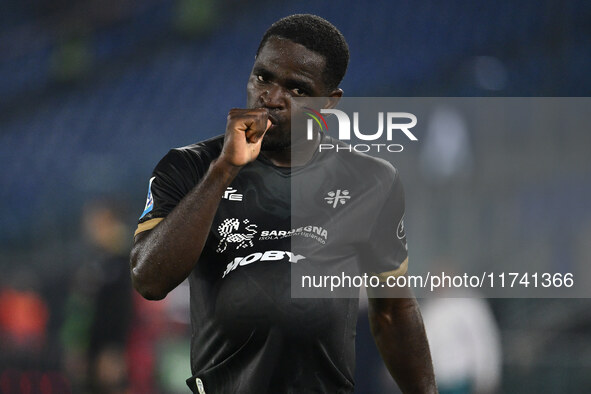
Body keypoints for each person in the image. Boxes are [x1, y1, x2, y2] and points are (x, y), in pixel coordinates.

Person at [130, 14, 436, 393]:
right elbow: (149, 280)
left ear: (329, 101)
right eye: (263, 78)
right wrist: (222, 170)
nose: (271, 98)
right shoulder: (189, 167)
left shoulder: (370, 180)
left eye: (297, 89)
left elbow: (393, 312)